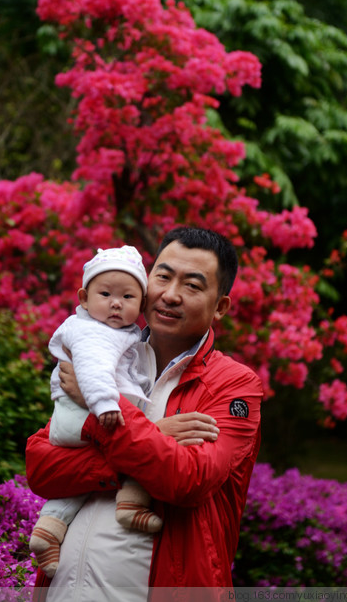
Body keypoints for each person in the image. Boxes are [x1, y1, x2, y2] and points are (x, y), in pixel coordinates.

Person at [26, 226, 264, 598]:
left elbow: (187, 480)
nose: (170, 295)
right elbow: (41, 468)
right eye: (163, 277)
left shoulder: (234, 386)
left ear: (220, 307)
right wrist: (156, 436)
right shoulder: (105, 355)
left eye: (193, 286)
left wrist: (102, 405)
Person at [29, 245, 163, 578]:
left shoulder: (113, 331)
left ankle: (49, 528)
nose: (116, 303)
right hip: (85, 412)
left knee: (88, 472)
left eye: (129, 297)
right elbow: (91, 369)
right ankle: (130, 503)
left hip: (77, 414)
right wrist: (103, 403)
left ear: (142, 304)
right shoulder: (92, 331)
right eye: (106, 294)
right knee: (148, 441)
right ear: (84, 298)